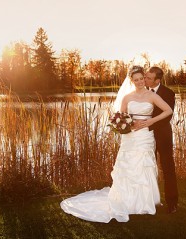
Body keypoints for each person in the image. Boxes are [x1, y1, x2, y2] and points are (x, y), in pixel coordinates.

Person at [60, 66, 173, 223]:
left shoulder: (152, 95)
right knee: (128, 167)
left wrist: (150, 121)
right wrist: (130, 124)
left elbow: (168, 111)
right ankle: (126, 200)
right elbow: (122, 117)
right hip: (131, 138)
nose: (140, 82)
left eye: (142, 78)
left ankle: (146, 201)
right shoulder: (127, 97)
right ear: (131, 81)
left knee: (144, 166)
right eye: (136, 80)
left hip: (145, 136)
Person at [144, 66, 178, 214]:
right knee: (145, 167)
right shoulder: (141, 91)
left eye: (149, 78)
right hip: (144, 136)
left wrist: (150, 123)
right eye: (145, 76)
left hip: (162, 135)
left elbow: (168, 116)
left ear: (157, 80)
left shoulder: (168, 93)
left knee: (167, 167)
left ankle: (172, 202)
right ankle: (147, 200)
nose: (145, 80)